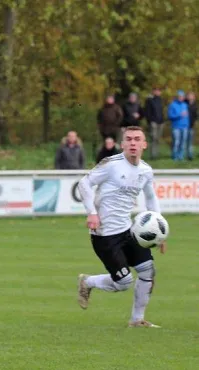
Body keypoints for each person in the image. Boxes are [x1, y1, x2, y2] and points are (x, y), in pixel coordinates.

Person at [76, 126, 165, 328]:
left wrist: (160, 232)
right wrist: (91, 213)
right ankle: (88, 282)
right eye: (129, 139)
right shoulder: (111, 164)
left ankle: (137, 320)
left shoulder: (145, 170)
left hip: (128, 230)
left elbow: (151, 198)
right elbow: (84, 183)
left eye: (137, 139)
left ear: (144, 144)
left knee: (148, 272)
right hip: (104, 234)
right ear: (122, 144)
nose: (133, 143)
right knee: (123, 283)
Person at [167, 90, 190, 161]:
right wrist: (180, 115)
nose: (181, 98)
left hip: (185, 127)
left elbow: (187, 116)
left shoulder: (185, 105)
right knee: (176, 142)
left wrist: (187, 124)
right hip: (176, 127)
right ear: (177, 97)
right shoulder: (172, 105)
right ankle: (175, 156)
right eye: (180, 96)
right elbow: (170, 116)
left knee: (183, 143)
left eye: (182, 96)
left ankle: (181, 156)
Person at [144, 87, 164, 159]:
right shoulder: (149, 100)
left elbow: (161, 111)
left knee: (158, 139)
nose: (158, 92)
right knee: (153, 138)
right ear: (153, 91)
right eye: (156, 91)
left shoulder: (160, 100)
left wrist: (162, 120)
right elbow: (147, 112)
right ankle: (152, 155)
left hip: (160, 122)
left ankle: (156, 154)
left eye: (159, 91)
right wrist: (150, 121)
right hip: (153, 122)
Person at [186, 91, 196, 160]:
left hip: (191, 126)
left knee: (190, 142)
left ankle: (190, 155)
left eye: (191, 95)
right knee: (182, 141)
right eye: (189, 95)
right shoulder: (184, 103)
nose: (190, 97)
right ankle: (181, 156)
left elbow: (195, 116)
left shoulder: (195, 105)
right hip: (183, 126)